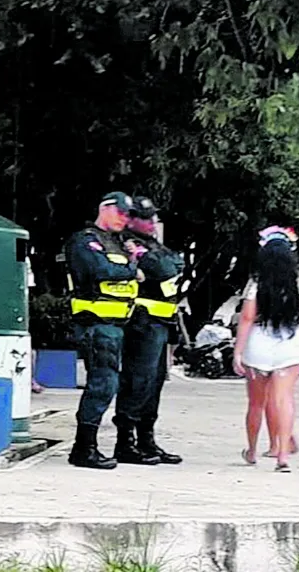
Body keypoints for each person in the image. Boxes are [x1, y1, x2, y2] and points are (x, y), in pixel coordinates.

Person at [62, 191, 141, 470]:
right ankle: (84, 448)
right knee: (102, 385)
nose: (124, 218)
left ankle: (87, 446)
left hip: (116, 325)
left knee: (109, 384)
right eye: (119, 212)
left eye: (127, 215)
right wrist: (132, 267)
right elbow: (100, 270)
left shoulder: (117, 243)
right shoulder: (85, 240)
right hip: (94, 323)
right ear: (104, 208)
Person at [232, 227, 299, 472]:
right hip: (289, 343)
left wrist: (238, 351)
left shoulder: (256, 282)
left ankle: (251, 450)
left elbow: (247, 318)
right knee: (284, 399)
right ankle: (282, 455)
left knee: (256, 403)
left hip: (258, 343)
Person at [115, 196, 184, 465]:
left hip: (161, 322)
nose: (152, 222)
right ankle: (126, 441)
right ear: (131, 219)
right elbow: (164, 268)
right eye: (146, 218)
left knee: (154, 383)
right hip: (141, 322)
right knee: (138, 381)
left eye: (153, 217)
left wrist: (157, 262)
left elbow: (175, 265)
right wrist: (155, 263)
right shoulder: (125, 242)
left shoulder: (150, 244)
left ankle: (146, 439)